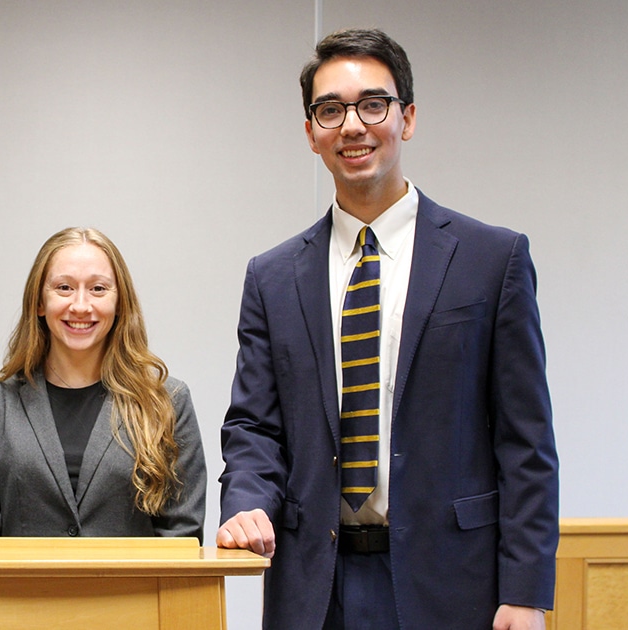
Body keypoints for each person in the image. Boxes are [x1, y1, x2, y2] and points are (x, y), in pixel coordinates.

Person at [216, 29, 558, 629]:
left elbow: (525, 442)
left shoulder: (491, 259)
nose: (353, 125)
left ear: (408, 118)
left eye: (373, 104)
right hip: (314, 587)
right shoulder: (272, 277)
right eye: (331, 110)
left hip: (452, 583)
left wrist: (526, 591)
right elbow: (253, 424)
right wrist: (245, 502)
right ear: (310, 132)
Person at [0, 227, 206, 541]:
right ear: (39, 302)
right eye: (64, 288)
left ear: (119, 303)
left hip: (131, 592)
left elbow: (181, 539)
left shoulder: (167, 401)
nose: (81, 305)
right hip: (20, 592)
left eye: (98, 289)